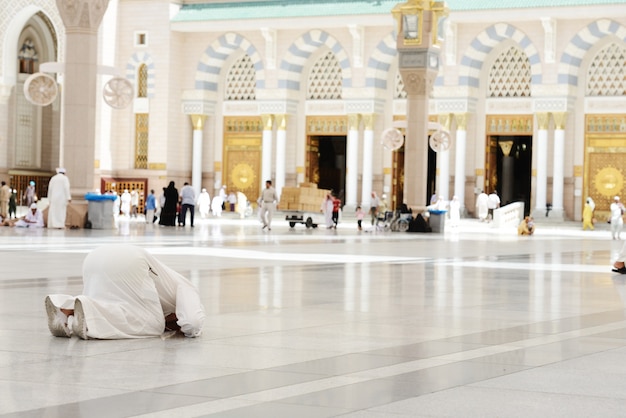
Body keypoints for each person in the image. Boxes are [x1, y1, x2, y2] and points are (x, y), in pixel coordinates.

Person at [44, 244, 205, 339]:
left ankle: (64, 310)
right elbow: (192, 322)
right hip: (130, 262)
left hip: (95, 257)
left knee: (112, 303)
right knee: (154, 325)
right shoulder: (188, 288)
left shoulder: (167, 285)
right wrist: (186, 330)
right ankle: (87, 309)